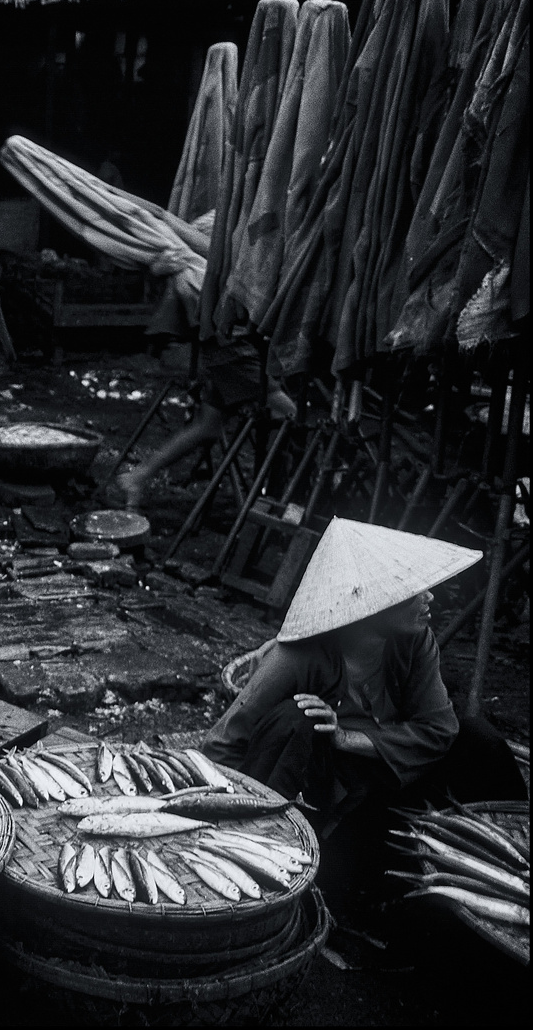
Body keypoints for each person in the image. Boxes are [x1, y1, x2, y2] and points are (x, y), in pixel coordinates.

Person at [204, 519, 526, 885]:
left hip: (388, 778)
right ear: (373, 603)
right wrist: (217, 822)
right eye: (413, 591)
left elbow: (440, 730)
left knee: (478, 737)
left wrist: (346, 737)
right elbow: (223, 743)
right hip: (326, 798)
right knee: (297, 717)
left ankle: (514, 845)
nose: (429, 597)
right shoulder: (298, 656)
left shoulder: (415, 642)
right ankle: (286, 852)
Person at [115, 337, 295, 508]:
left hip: (224, 350)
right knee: (293, 416)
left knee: (207, 427)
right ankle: (285, 497)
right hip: (234, 351)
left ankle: (138, 476)